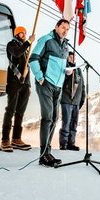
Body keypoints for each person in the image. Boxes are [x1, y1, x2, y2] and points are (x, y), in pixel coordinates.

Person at [28, 18, 70, 167]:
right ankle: (43, 155)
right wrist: (40, 77)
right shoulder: (46, 40)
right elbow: (33, 59)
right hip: (45, 83)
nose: (65, 31)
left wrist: (67, 72)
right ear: (56, 27)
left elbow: (60, 66)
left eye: (67, 29)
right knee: (47, 118)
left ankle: (48, 152)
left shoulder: (66, 45)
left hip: (58, 86)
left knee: (54, 118)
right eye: (63, 27)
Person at [0, 26, 34, 153]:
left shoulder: (26, 48)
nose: (23, 34)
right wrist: (29, 42)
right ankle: (5, 140)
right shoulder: (12, 45)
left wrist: (28, 85)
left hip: (25, 83)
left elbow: (26, 65)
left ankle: (16, 138)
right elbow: (17, 53)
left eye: (24, 33)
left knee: (20, 112)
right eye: (21, 33)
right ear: (16, 34)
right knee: (10, 110)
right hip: (14, 82)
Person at [59, 50, 85, 151]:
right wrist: (67, 74)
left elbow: (82, 86)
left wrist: (82, 99)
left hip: (76, 102)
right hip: (67, 100)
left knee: (74, 124)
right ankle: (63, 143)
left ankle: (71, 143)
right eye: (70, 57)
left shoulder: (78, 70)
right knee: (66, 122)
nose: (72, 59)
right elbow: (61, 80)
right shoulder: (65, 68)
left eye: (73, 57)